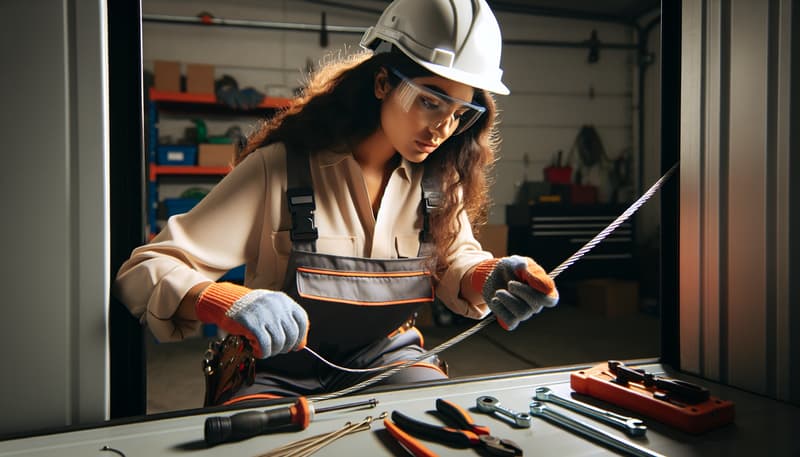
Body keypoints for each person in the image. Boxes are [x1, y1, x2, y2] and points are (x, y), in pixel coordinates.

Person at [114, 0, 559, 405]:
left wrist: (486, 276)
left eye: (460, 113)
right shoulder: (281, 169)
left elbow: (452, 262)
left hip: (388, 361)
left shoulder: (439, 182)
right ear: (383, 81)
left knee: (434, 422)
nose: (443, 128)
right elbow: (146, 271)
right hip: (277, 370)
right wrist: (223, 300)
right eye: (429, 101)